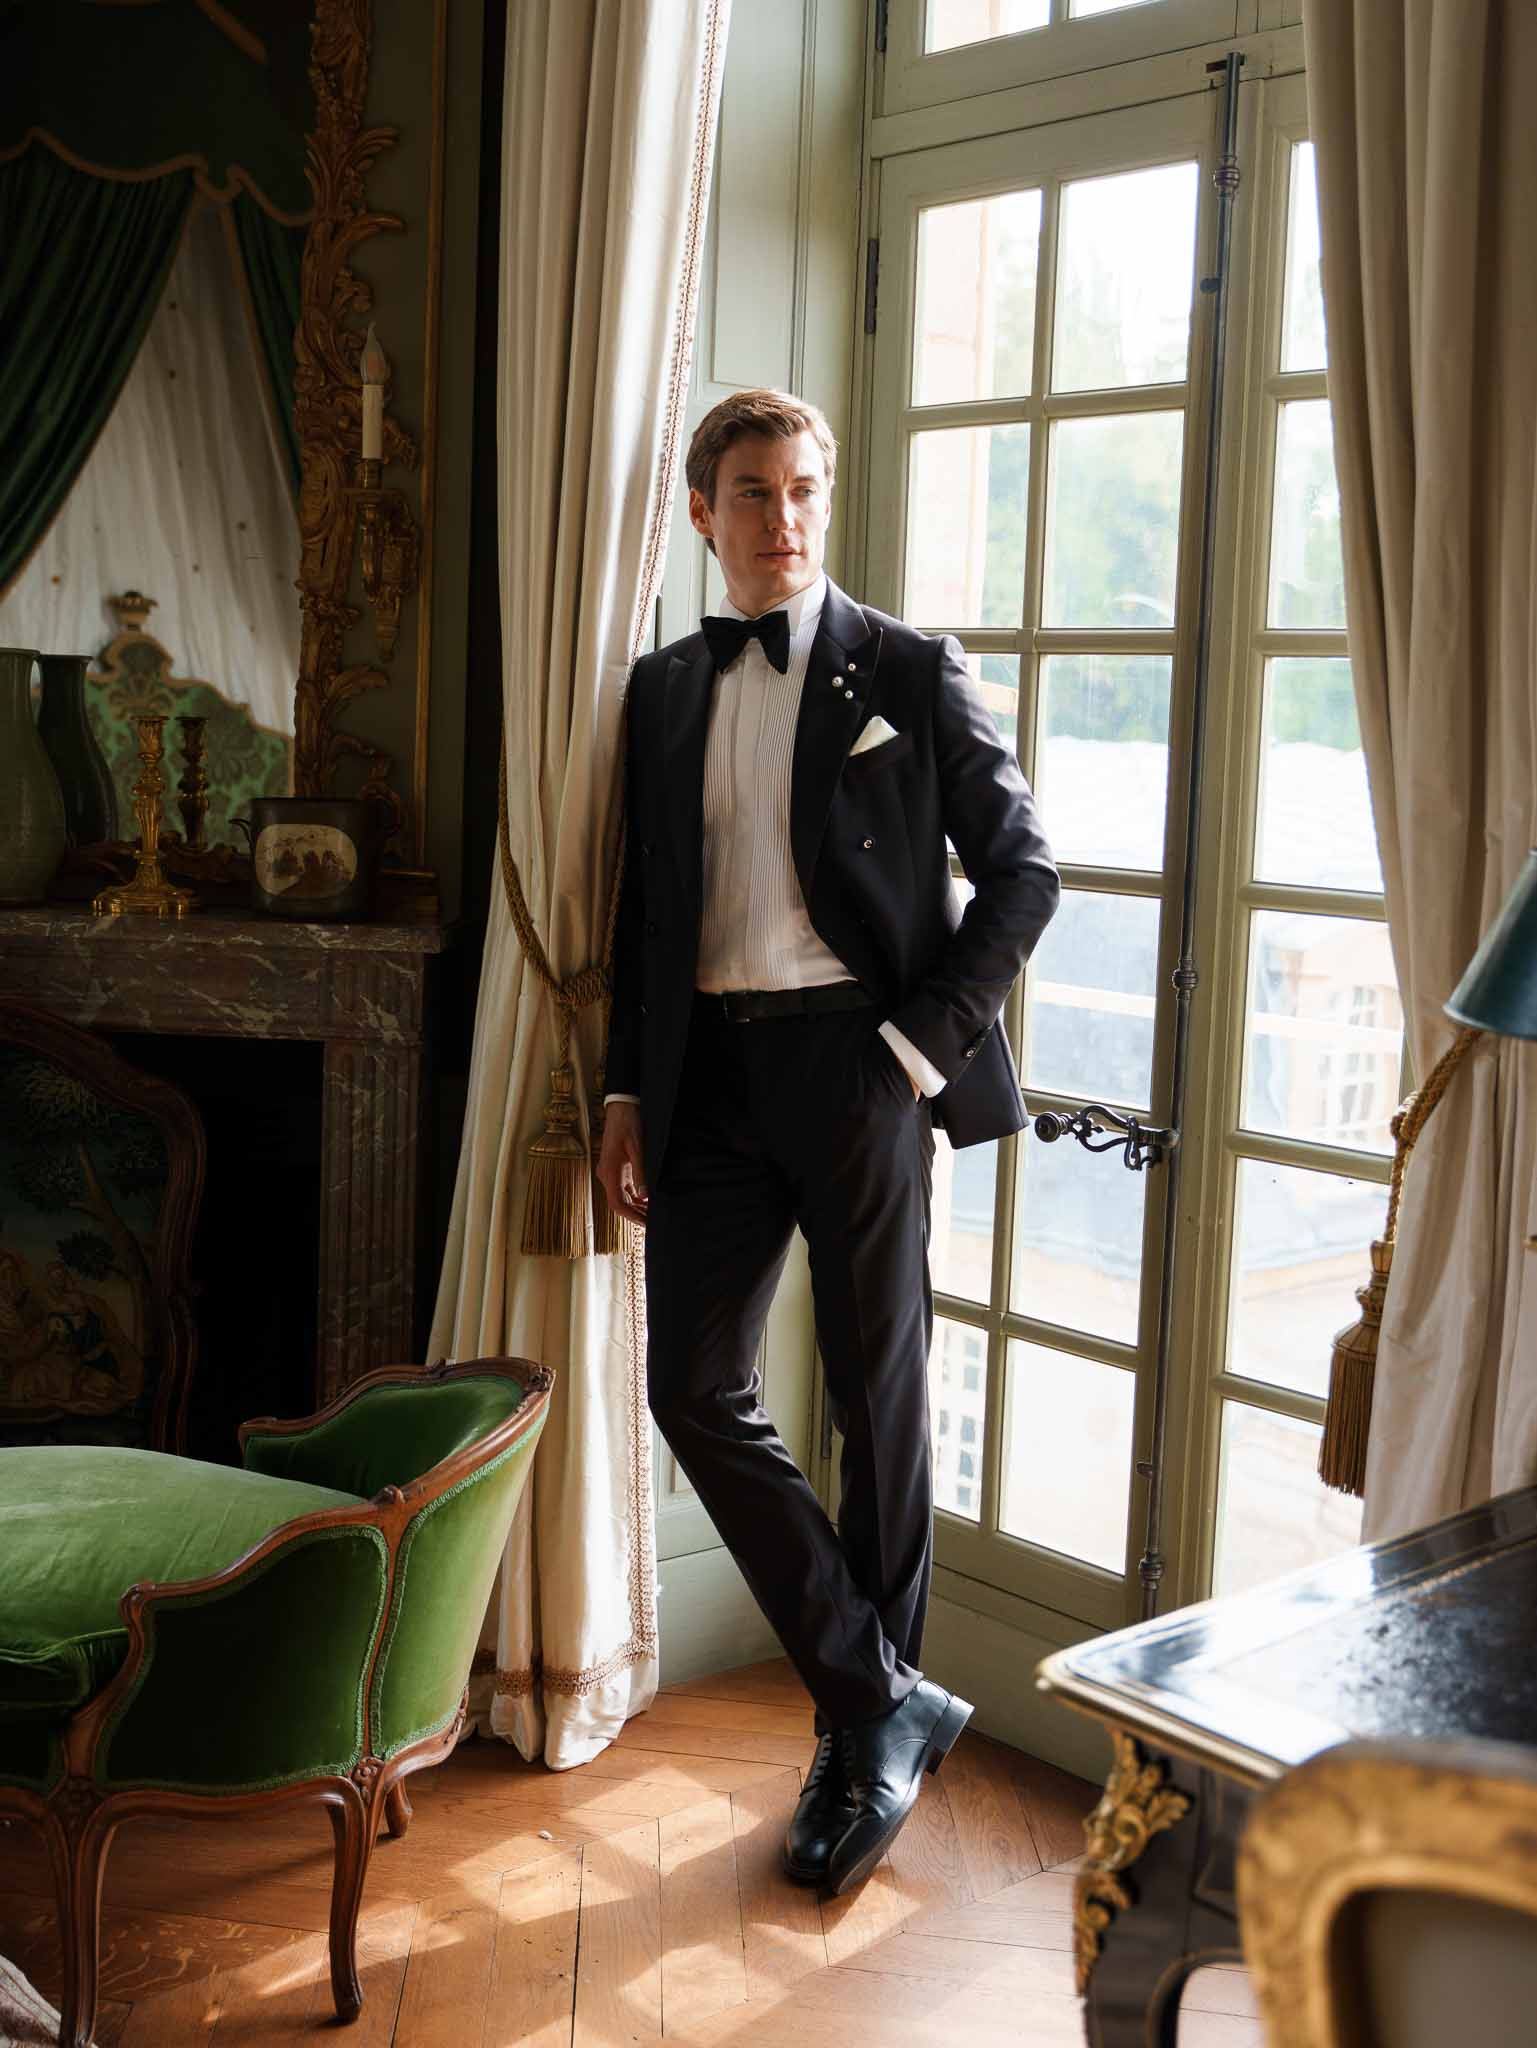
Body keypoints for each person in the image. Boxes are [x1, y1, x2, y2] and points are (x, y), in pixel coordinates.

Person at [598, 387, 1059, 1896]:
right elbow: (646, 918)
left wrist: (920, 1048)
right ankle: (880, 1696)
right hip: (709, 1082)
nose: (782, 520)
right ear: (699, 512)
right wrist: (621, 1094)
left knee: (879, 1399)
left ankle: (859, 1735)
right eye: (750, 494)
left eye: (802, 490)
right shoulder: (663, 688)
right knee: (689, 1386)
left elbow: (1021, 874)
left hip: (859, 1067)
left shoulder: (907, 669)